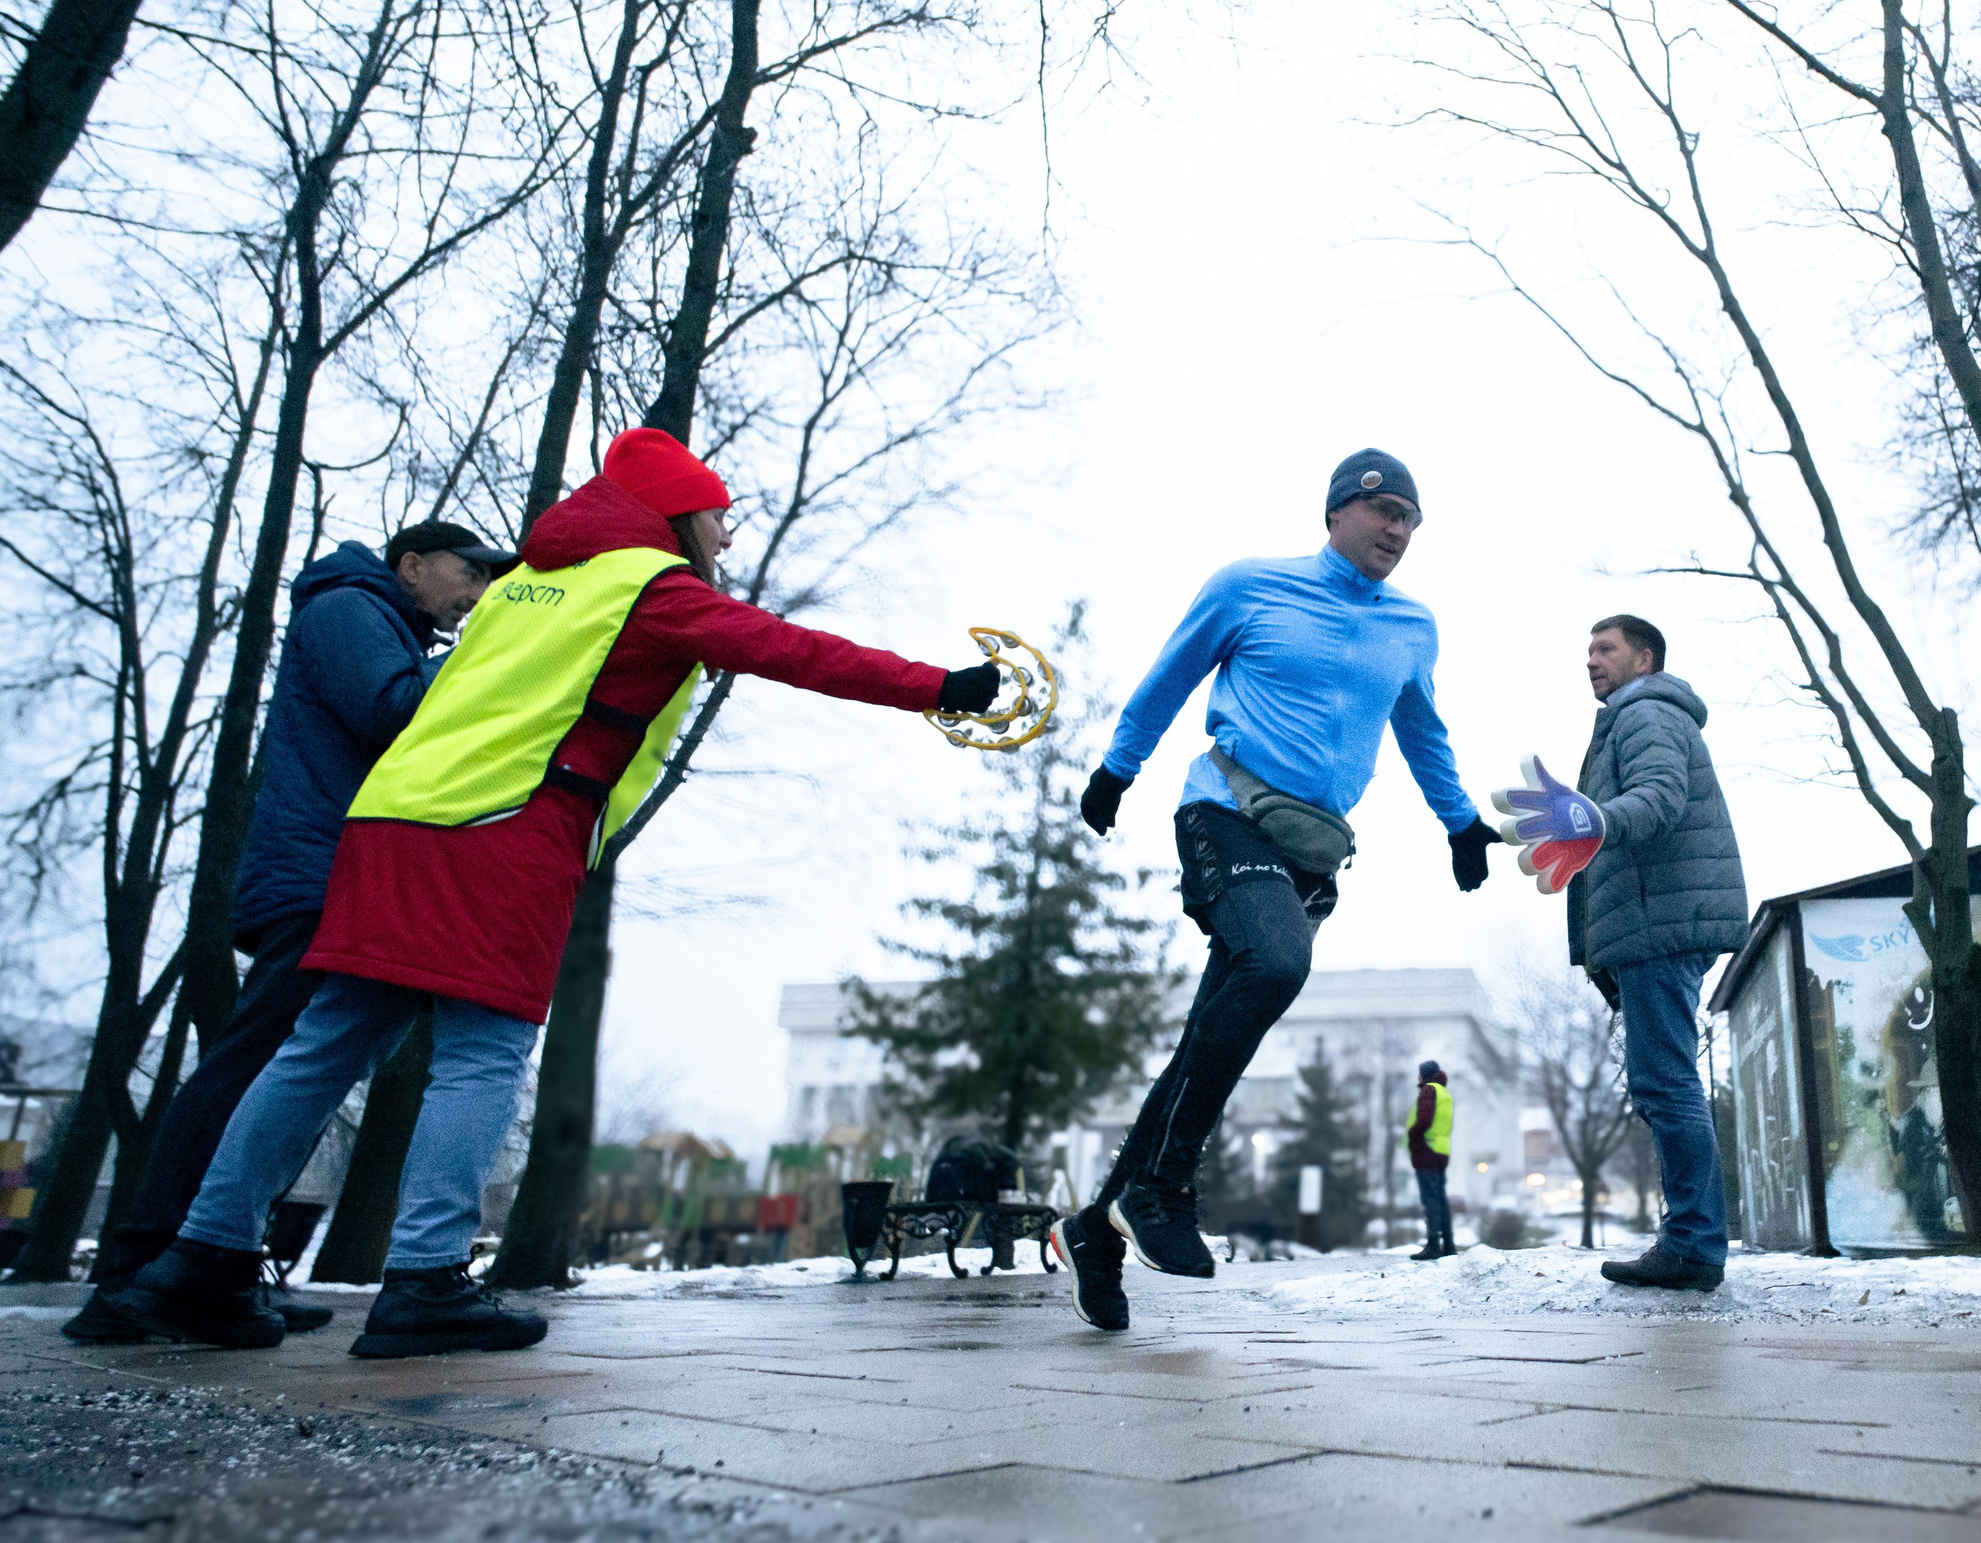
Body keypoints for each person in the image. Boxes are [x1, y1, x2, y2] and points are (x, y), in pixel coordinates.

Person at [102, 428, 1003, 1356]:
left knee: (319, 1048)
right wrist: (939, 685)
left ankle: (202, 1261)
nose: (727, 537)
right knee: (481, 1056)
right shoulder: (651, 588)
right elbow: (787, 649)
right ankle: (423, 1278)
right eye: (718, 516)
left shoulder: (523, 587)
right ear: (676, 513)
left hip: (392, 821)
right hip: (507, 827)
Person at [1049, 448, 1503, 1332]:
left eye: (1412, 519)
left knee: (1209, 1034)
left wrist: (1459, 821)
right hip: (1225, 810)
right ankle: (1164, 1184)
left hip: (1309, 850)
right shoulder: (1251, 585)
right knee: (1276, 963)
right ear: (1338, 511)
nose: (1399, 530)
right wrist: (1117, 767)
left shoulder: (1412, 626)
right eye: (1386, 511)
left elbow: (1423, 731)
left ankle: (1095, 1229)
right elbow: (1171, 675)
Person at [64, 522, 508, 1344]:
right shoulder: (349, 608)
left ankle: (216, 1266)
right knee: (258, 1063)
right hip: (318, 875)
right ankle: (138, 1279)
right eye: (469, 572)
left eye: (490, 580)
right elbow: (397, 712)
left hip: (340, 872)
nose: (480, 590)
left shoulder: (384, 621)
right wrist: (489, 659)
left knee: (283, 1065)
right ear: (410, 565)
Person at [1491, 615, 1745, 1292]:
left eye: (1606, 649)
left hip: (1660, 922)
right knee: (1663, 1083)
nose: (1592, 661)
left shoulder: (1646, 713)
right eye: (1588, 650)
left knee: (1666, 1083)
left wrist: (1597, 818)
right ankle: (1690, 1236)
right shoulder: (1632, 719)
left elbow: (1658, 801)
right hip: (1656, 920)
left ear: (1645, 658)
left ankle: (1693, 1242)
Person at [1405, 1060, 1455, 1260]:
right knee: (1440, 1199)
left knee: (1430, 1199)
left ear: (1423, 1075)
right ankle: (1448, 1245)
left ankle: (1433, 1244)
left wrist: (1413, 1136)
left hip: (1427, 1148)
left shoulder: (1429, 1091)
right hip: (1441, 1150)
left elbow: (1424, 1120)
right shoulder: (1445, 1093)